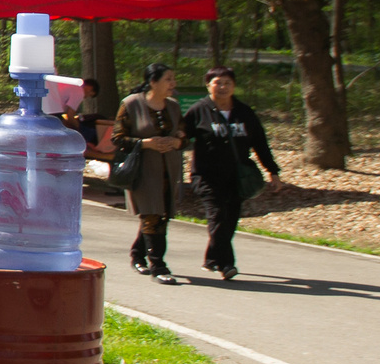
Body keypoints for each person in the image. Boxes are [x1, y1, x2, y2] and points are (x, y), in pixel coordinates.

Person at [184, 66, 280, 281]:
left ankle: (211, 258)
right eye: (218, 82)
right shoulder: (199, 110)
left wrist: (272, 171)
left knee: (229, 221)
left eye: (227, 83)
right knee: (217, 216)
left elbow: (260, 143)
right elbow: (181, 138)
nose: (223, 87)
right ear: (208, 85)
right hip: (207, 175)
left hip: (236, 177)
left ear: (234, 86)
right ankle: (226, 264)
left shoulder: (245, 112)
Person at [115, 63, 187, 282]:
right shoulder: (131, 104)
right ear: (152, 82)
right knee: (153, 215)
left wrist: (175, 142)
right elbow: (117, 139)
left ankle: (138, 255)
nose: (173, 84)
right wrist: (146, 144)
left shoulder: (173, 107)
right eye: (168, 79)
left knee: (159, 214)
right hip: (143, 171)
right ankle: (159, 266)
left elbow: (184, 136)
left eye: (173, 79)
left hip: (168, 170)